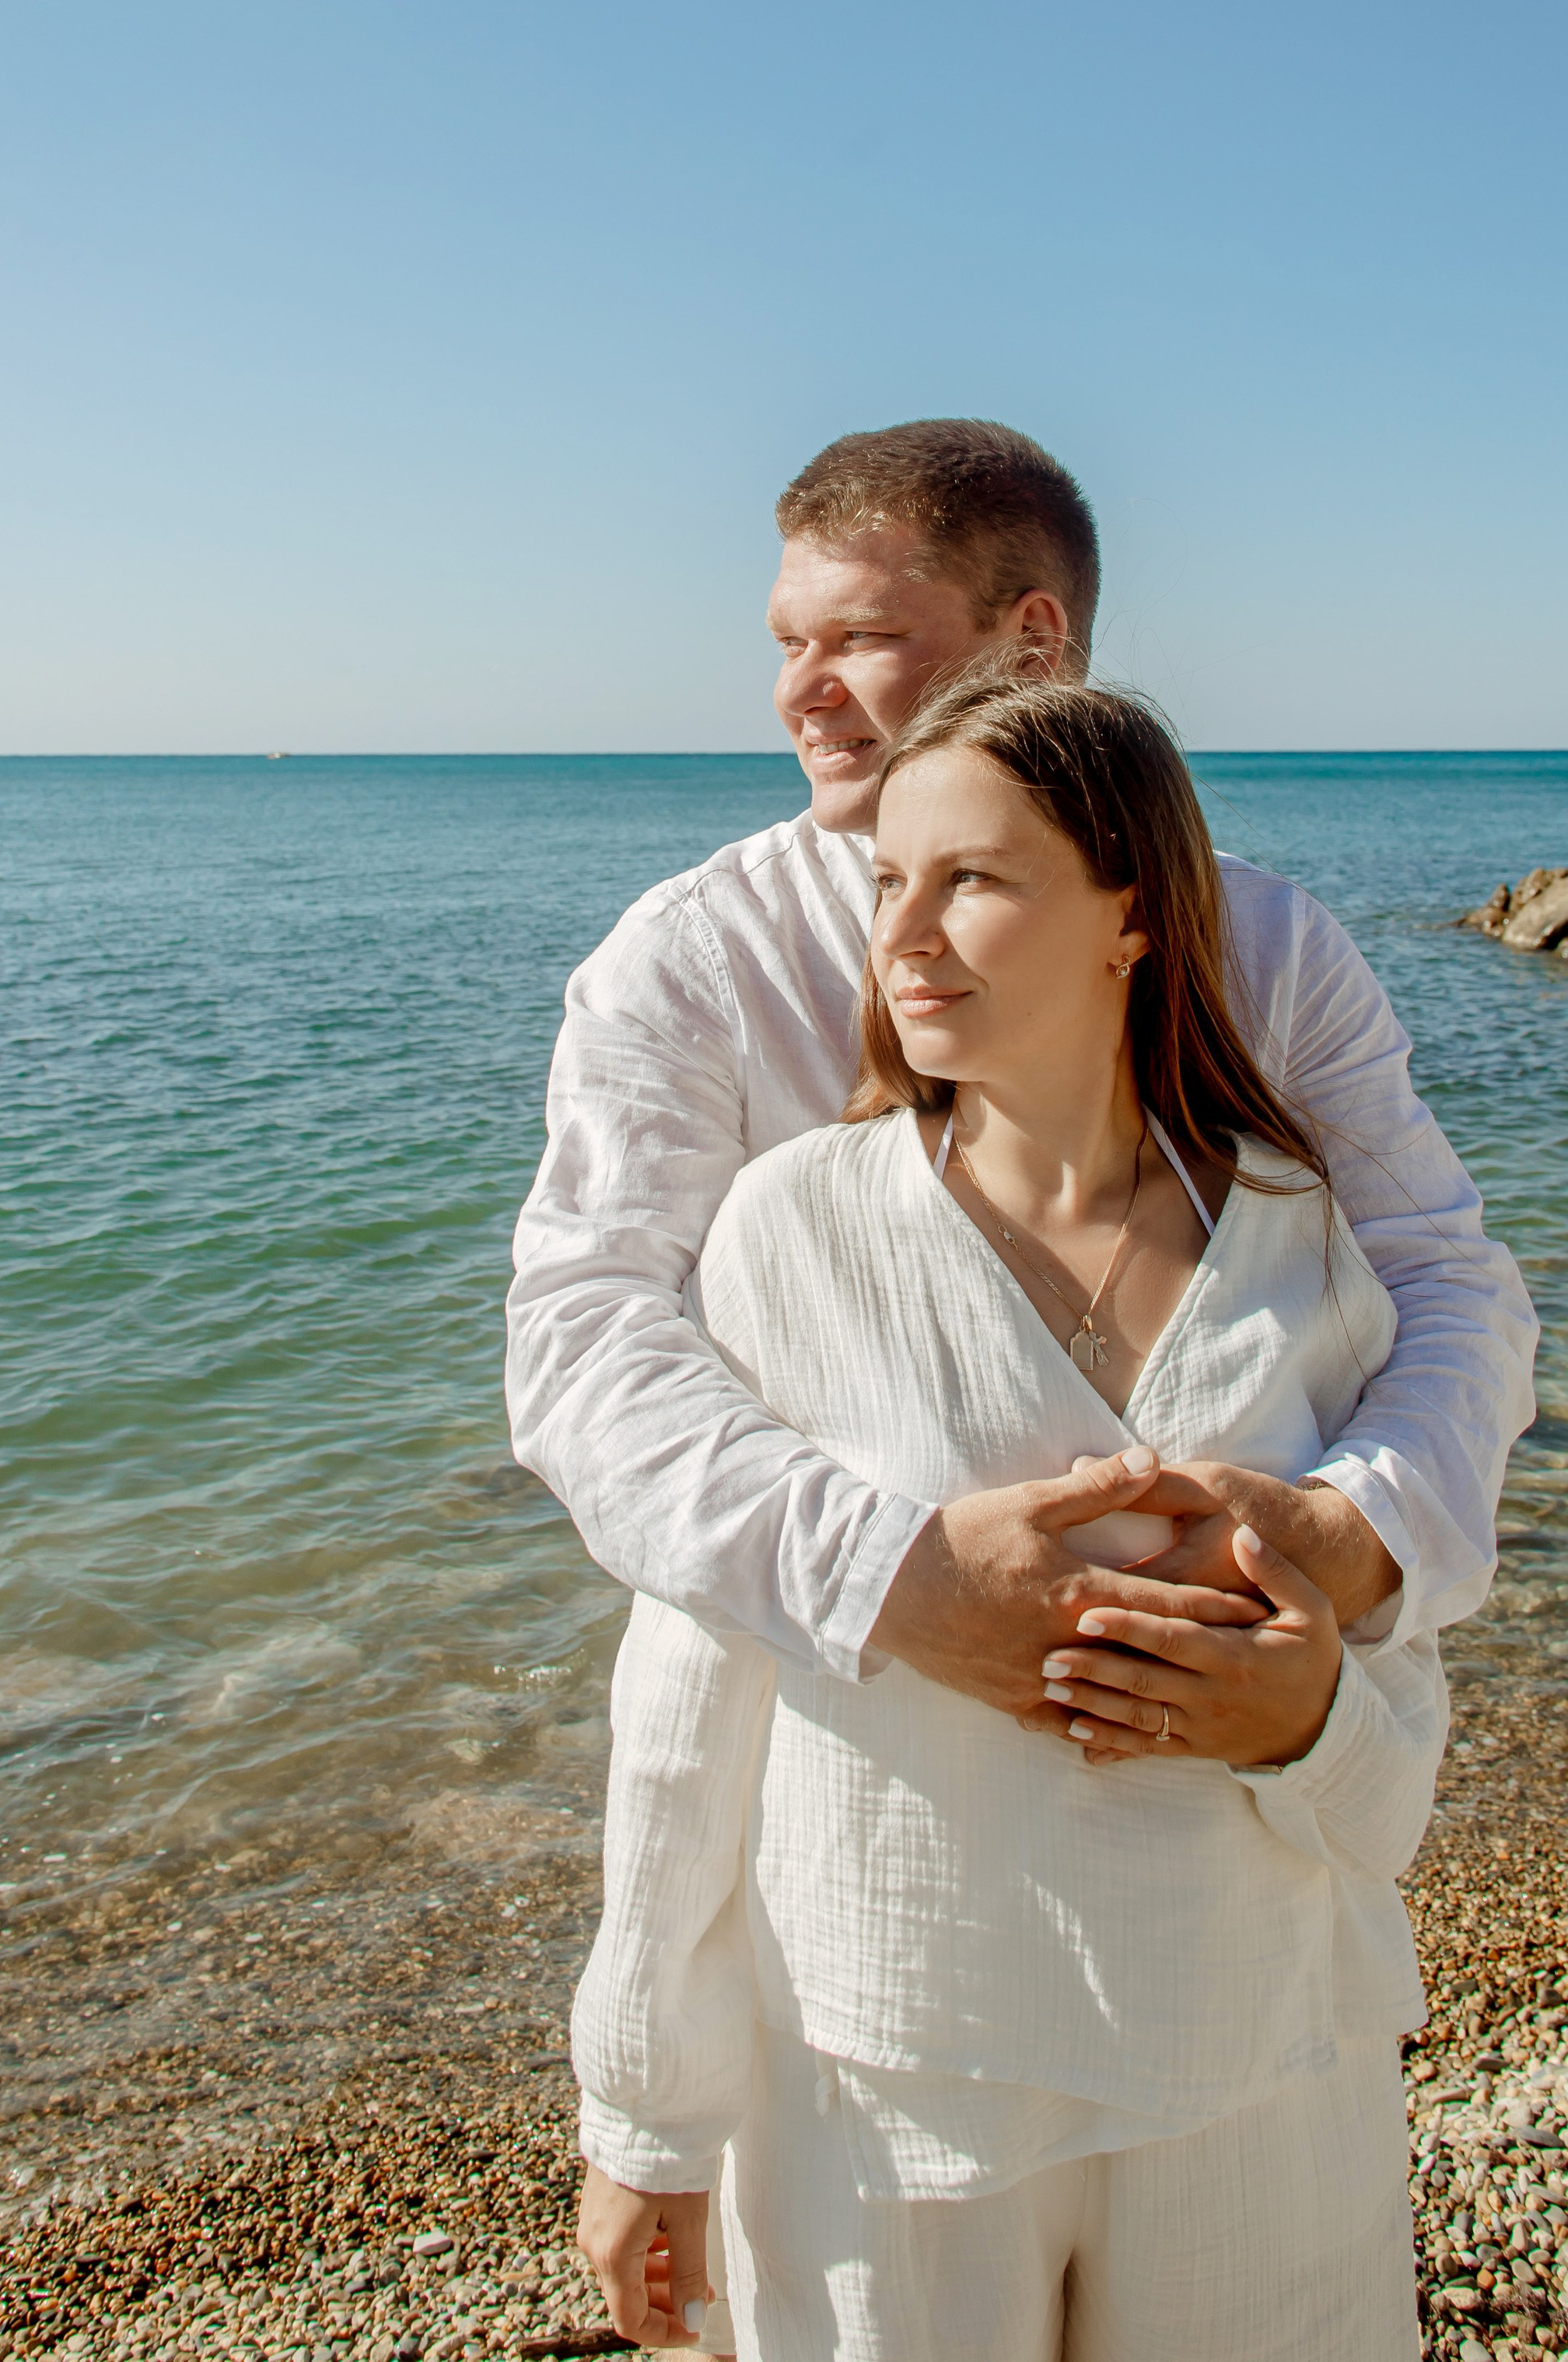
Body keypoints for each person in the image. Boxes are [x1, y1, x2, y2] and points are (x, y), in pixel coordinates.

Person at [572, 671, 1446, 2360]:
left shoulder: (1300, 1239)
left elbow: (1392, 1727)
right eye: (886, 882)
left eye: (970, 879)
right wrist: (645, 2119)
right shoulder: (786, 1231)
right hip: (882, 2062)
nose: (903, 932)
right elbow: (688, 1696)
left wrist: (1311, 1722)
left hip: (1255, 2048)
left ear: (1131, 912)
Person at [507, 418, 1535, 1733]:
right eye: (786, 642)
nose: (799, 691)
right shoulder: (697, 960)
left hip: (1232, 1773)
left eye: (862, 640)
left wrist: (1352, 1533)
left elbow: (1445, 1277)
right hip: (823, 1733)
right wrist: (890, 1579)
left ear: (1033, 642)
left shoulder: (1267, 950)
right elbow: (581, 1336)